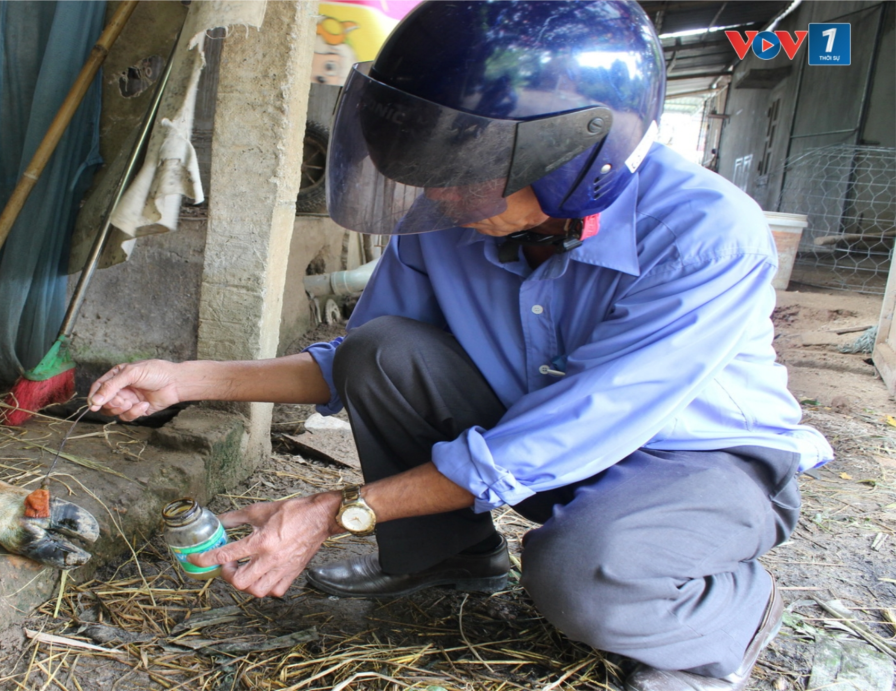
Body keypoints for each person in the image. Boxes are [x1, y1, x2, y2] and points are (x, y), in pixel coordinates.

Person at [88, 0, 834, 688]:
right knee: (380, 348)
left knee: (579, 573)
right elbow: (353, 364)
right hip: (541, 437)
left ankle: (721, 624)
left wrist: (341, 508)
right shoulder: (456, 220)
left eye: (466, 175)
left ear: (576, 161)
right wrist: (187, 379)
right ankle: (449, 560)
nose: (438, 196)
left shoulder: (706, 235)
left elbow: (568, 433)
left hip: (699, 462)